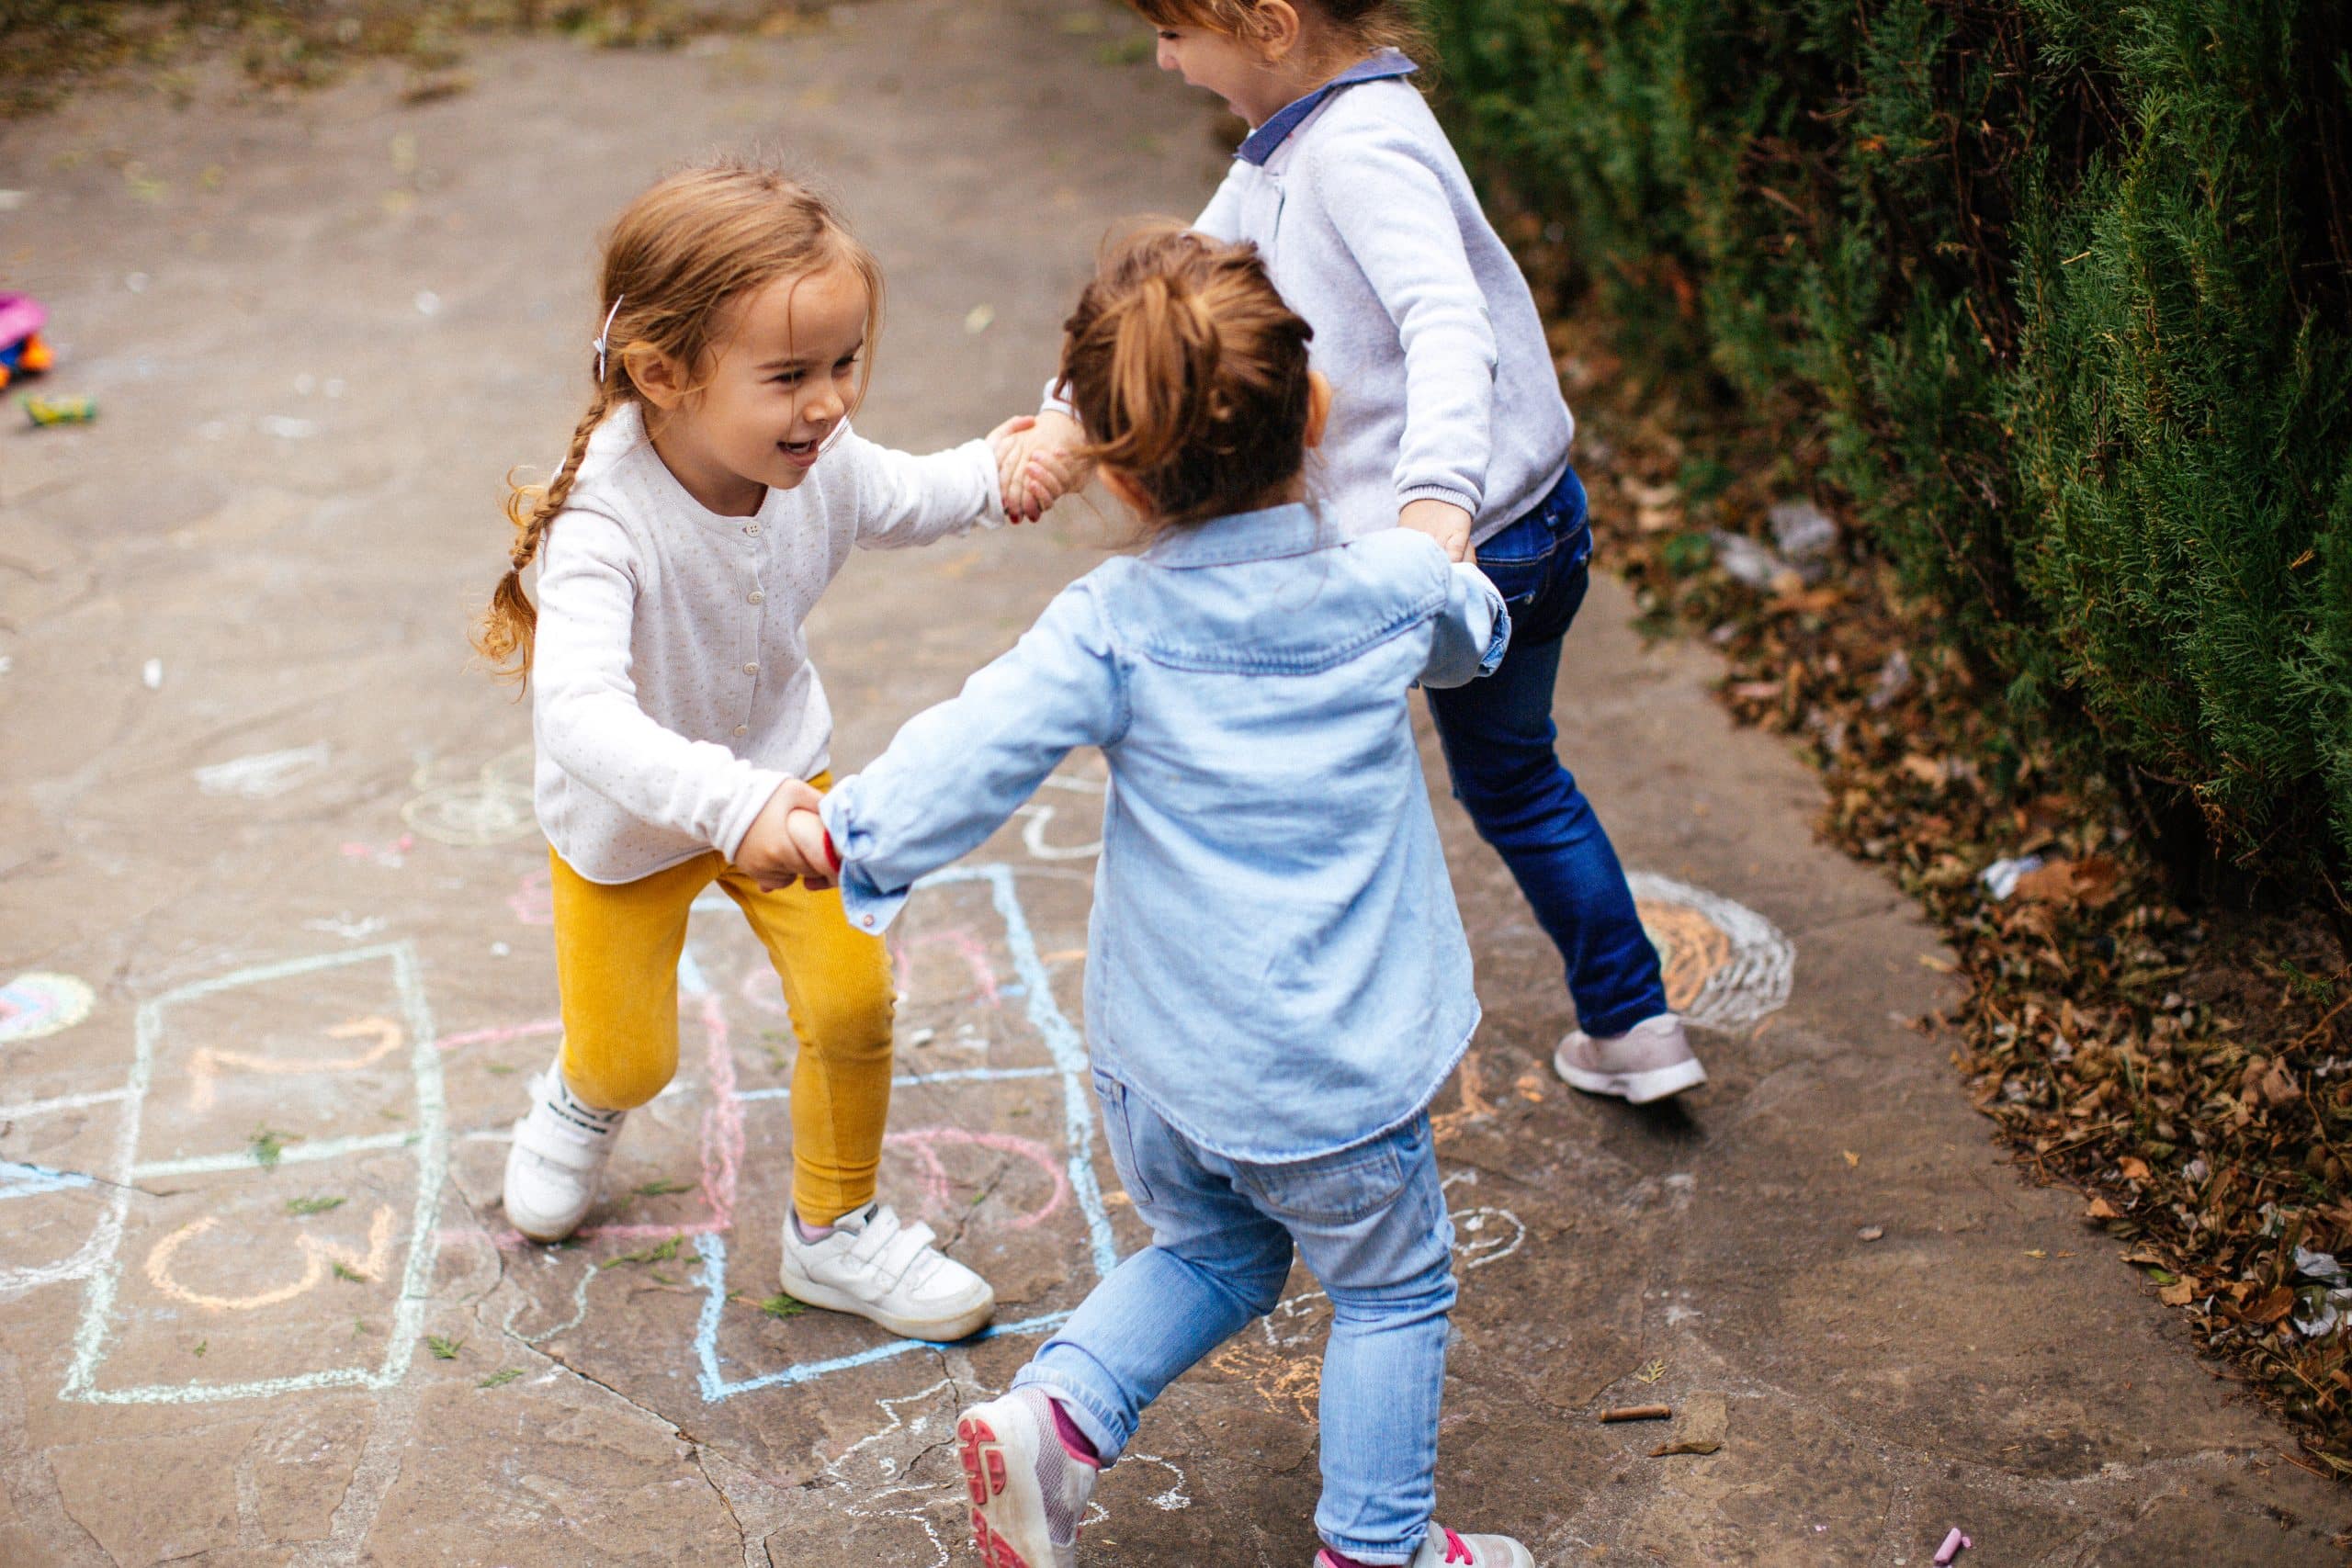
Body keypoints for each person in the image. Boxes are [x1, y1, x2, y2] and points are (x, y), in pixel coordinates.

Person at [783, 227, 1532, 1568]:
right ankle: (1376, 1546)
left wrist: (849, 828)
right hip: (1335, 1075)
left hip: (1166, 1065)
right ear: (1315, 409)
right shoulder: (1385, 592)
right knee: (1393, 1284)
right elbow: (1474, 633)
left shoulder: (1115, 621)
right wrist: (1437, 543)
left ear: (1117, 473)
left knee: (1219, 1250)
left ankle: (1058, 1417)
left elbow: (975, 746)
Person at [1001, 0, 1704, 1104]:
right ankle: (1635, 1028)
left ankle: (1325, 1053)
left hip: (1461, 548)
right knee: (1519, 781)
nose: (1161, 58)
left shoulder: (1361, 149)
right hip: (1529, 519)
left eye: (1178, 35)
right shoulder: (1299, 136)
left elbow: (1446, 320)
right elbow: (1177, 287)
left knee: (1322, 788)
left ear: (1269, 25)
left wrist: (1435, 504)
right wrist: (1062, 414)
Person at [470, 157, 1030, 1342]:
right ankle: (579, 1099)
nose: (827, 404)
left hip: (786, 774)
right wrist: (730, 806)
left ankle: (836, 1233)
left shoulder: (815, 464)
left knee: (852, 1000)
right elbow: (579, 714)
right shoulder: (602, 525)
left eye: (842, 364)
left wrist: (1008, 468)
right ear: (661, 374)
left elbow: (920, 491)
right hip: (633, 824)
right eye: (788, 376)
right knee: (631, 1062)